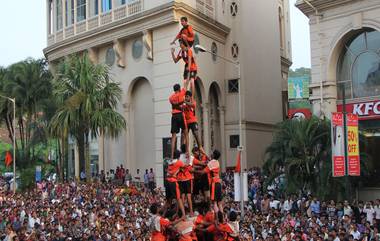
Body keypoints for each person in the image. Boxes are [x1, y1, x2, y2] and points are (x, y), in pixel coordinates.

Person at [169, 84, 188, 160]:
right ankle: (187, 152)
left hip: (174, 116)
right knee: (185, 133)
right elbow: (186, 85)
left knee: (173, 136)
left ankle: (171, 155)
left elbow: (174, 104)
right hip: (180, 115)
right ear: (179, 89)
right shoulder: (181, 93)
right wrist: (188, 75)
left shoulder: (170, 98)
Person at [165, 150, 186, 218]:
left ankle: (163, 214)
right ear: (179, 156)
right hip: (173, 182)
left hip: (167, 181)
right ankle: (183, 214)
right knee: (178, 198)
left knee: (168, 200)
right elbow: (185, 167)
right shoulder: (179, 162)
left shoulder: (170, 161)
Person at [177, 144, 194, 216]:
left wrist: (181, 169)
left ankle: (182, 213)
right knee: (189, 196)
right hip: (187, 178)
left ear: (181, 149)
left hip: (181, 179)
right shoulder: (188, 156)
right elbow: (190, 166)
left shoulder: (179, 157)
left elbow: (178, 167)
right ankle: (191, 212)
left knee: (182, 197)